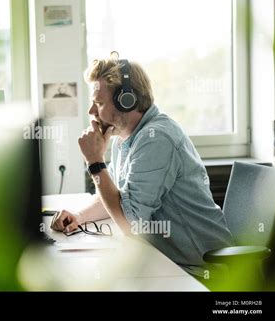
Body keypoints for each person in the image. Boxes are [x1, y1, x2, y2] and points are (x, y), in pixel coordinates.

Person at [51, 51, 234, 272]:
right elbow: (118, 200)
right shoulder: (123, 140)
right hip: (168, 262)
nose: (91, 112)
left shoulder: (157, 139)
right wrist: (79, 216)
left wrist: (95, 162)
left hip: (202, 270)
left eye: (98, 103)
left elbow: (131, 224)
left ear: (126, 101)